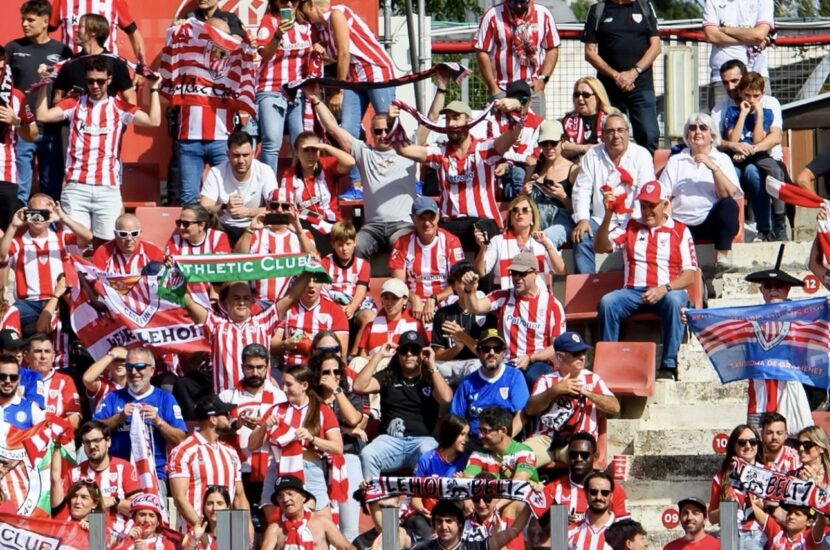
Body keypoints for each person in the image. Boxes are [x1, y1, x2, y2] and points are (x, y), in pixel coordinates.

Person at [35, 57, 160, 242]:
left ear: (109, 80)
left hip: (107, 188)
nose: (95, 85)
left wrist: (154, 88)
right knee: (73, 243)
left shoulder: (119, 107)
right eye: (90, 81)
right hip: (76, 186)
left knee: (109, 244)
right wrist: (43, 84)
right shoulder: (74, 103)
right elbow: (43, 115)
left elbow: (153, 121)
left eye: (100, 81)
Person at [596, 180, 698, 380]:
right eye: (643, 206)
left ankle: (668, 365)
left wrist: (663, 289)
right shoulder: (631, 226)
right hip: (632, 292)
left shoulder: (680, 230)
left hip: (666, 291)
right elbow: (600, 247)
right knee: (607, 302)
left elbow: (690, 275)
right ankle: (609, 362)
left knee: (676, 300)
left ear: (665, 204)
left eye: (652, 206)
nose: (647, 211)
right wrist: (608, 214)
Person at [297, 0, 396, 200]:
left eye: (304, 12)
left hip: (376, 71)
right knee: (348, 130)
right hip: (355, 77)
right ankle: (357, 183)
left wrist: (338, 90)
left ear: (310, 4)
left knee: (389, 126)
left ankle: (404, 177)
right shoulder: (321, 28)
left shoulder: (337, 14)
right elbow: (335, 57)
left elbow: (344, 53)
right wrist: (319, 53)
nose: (305, 18)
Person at [394, 98, 524, 250]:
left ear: (469, 121)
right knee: (430, 233)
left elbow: (514, 134)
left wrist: (517, 107)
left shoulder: (484, 149)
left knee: (482, 231)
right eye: (448, 119)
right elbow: (403, 149)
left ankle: (482, 273)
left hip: (483, 221)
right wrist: (392, 121)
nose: (451, 124)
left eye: (456, 118)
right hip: (451, 224)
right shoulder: (440, 152)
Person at [304, 85, 416, 258]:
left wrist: (441, 89)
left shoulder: (409, 150)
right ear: (371, 132)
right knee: (353, 249)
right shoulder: (364, 152)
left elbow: (430, 120)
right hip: (373, 227)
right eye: (378, 131)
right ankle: (357, 285)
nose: (383, 134)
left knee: (402, 247)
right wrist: (316, 100)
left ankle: (401, 285)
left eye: (388, 129)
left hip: (403, 225)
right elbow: (333, 128)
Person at [182, 271, 311, 394]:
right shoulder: (216, 324)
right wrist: (175, 272)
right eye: (236, 298)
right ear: (226, 302)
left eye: (246, 298)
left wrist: (309, 271)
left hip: (261, 402)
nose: (242, 302)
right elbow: (189, 303)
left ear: (252, 301)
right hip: (226, 402)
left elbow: (291, 296)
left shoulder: (263, 322)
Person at [354, 332, 452, 488]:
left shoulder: (430, 376)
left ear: (422, 353)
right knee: (368, 454)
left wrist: (432, 365)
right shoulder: (388, 375)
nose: (409, 354)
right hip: (390, 441)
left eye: (415, 350)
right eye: (404, 350)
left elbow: (446, 398)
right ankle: (374, 500)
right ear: (398, 354)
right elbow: (359, 386)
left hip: (423, 440)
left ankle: (425, 504)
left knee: (431, 455)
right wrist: (379, 355)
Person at [459, 251, 566, 388]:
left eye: (522, 274)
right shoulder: (503, 296)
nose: (517, 278)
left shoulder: (552, 305)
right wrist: (469, 291)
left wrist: (530, 357)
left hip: (539, 362)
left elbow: (557, 347)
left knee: (534, 378)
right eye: (513, 273)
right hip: (508, 361)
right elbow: (476, 307)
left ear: (535, 273)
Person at [249, 364, 344, 515]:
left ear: (304, 385)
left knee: (320, 527)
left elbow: (338, 448)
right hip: (278, 470)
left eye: (288, 384)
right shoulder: (276, 410)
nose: (284, 389)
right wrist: (263, 428)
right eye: (283, 385)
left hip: (310, 469)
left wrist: (312, 438)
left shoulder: (323, 411)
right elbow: (252, 445)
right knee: (277, 528)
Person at [93, 347, 188, 497]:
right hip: (115, 473)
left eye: (140, 367)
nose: (134, 372)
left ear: (152, 370)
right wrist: (119, 417)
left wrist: (158, 421)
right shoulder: (113, 397)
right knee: (104, 518)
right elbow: (93, 432)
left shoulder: (165, 398)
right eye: (129, 367)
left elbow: (180, 439)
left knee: (152, 519)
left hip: (154, 473)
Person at [171, 16, 245, 207]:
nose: (219, 40)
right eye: (214, 34)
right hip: (189, 139)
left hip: (221, 139)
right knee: (189, 199)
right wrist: (177, 30)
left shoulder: (234, 62)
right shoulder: (187, 56)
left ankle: (220, 236)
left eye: (224, 36)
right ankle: (193, 236)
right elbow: (170, 47)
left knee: (227, 197)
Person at [570, 112, 655, 274]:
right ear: (602, 135)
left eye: (620, 130)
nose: (616, 136)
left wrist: (635, 223)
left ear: (628, 133)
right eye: (610, 131)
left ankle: (632, 286)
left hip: (634, 218)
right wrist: (582, 219)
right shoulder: (592, 155)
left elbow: (644, 192)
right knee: (581, 236)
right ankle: (587, 290)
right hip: (600, 219)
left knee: (640, 238)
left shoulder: (641, 154)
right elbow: (582, 189)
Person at [6, 0, 72, 204]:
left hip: (52, 130)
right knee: (20, 189)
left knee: (51, 189)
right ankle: (18, 233)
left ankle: (50, 235)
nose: (25, 24)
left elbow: (68, 89)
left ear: (45, 21)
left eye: (30, 20)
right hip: (22, 129)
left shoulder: (63, 51)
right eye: (23, 20)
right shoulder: (13, 48)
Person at [660, 112, 741, 271]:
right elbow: (664, 196)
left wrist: (713, 167)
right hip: (680, 222)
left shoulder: (722, 159)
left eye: (703, 128)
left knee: (729, 205)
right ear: (687, 135)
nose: (697, 131)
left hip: (709, 221)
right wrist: (667, 224)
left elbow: (729, 193)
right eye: (692, 128)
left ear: (712, 135)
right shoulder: (676, 160)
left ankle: (721, 258)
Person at [525, 332, 620, 467]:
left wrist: (586, 392)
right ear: (559, 356)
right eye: (576, 353)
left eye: (583, 352)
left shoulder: (593, 379)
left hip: (579, 441)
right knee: (518, 459)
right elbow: (530, 409)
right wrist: (555, 390)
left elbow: (615, 407)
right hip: (546, 440)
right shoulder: (546, 380)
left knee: (581, 460)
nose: (582, 357)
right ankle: (532, 486)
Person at [743, 254, 814, 434]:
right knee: (758, 448)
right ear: (761, 290)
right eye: (768, 286)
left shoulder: (803, 318)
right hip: (758, 395)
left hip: (789, 391)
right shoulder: (747, 319)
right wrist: (690, 317)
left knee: (793, 444)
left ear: (788, 289)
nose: (774, 290)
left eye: (779, 286)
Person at [0, 194, 91, 326]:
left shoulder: (62, 238)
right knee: (8, 316)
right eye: (34, 212)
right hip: (27, 304)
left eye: (43, 213)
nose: (38, 218)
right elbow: (1, 256)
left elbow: (87, 237)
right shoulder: (17, 242)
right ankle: (15, 346)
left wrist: (63, 218)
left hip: (59, 301)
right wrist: (13, 226)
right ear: (27, 213)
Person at [582, 0, 661, 152]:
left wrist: (634, 72)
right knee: (611, 135)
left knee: (649, 135)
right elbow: (589, 52)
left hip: (641, 86)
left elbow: (656, 46)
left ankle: (647, 173)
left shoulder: (645, 7)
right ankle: (615, 172)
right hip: (609, 89)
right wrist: (617, 76)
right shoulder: (597, 10)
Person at [218, 343, 287, 513]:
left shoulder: (279, 397)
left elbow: (287, 432)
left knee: (270, 526)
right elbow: (216, 431)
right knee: (235, 528)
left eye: (260, 367)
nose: (255, 373)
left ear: (267, 367)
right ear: (242, 367)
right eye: (250, 367)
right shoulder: (227, 396)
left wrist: (265, 426)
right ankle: (235, 540)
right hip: (236, 471)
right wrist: (236, 424)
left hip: (271, 470)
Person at [168, 395, 249, 531]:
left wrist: (246, 529)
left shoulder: (231, 452)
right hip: (197, 531)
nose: (230, 418)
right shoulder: (184, 451)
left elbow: (239, 496)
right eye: (225, 414)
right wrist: (202, 530)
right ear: (213, 419)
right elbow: (179, 498)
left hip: (230, 532)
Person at [723, 71, 787, 241]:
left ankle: (774, 224)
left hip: (757, 156)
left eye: (756, 96)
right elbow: (733, 139)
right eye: (747, 95)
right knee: (733, 174)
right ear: (740, 93)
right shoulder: (732, 111)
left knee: (764, 173)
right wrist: (743, 115)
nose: (751, 100)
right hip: (738, 156)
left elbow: (759, 139)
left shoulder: (766, 111)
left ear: (762, 95)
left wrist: (758, 115)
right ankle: (732, 227)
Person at [312, 351, 367, 542]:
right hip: (315, 461)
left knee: (349, 528)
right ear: (317, 374)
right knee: (318, 526)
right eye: (326, 372)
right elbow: (311, 430)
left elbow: (353, 418)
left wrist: (337, 391)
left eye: (337, 372)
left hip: (347, 459)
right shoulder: (309, 399)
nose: (332, 376)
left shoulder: (350, 396)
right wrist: (348, 431)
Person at [51, 421, 140, 534]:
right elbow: (59, 504)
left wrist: (114, 502)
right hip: (79, 536)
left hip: (117, 536)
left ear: (108, 441)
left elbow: (139, 509)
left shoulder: (125, 468)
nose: (92, 446)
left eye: (96, 440)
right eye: (87, 442)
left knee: (96, 520)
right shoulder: (74, 473)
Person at [473, 0, 560, 116]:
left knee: (535, 131)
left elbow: (552, 48)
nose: (518, 5)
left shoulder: (543, 14)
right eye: (513, 1)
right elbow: (481, 51)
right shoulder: (493, 15)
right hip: (502, 90)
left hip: (533, 90)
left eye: (523, 1)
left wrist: (543, 79)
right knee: (499, 131)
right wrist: (493, 87)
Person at [254, 0, 312, 172]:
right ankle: (269, 192)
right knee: (272, 142)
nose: (287, 3)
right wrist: (278, 35)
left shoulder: (306, 24)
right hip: (272, 89)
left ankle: (298, 188)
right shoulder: (269, 20)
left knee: (301, 143)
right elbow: (264, 54)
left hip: (298, 91)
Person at [390, 196, 465, 326]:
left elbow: (458, 283)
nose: (427, 223)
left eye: (431, 217)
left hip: (444, 298)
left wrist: (434, 299)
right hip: (412, 300)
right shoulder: (401, 244)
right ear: (413, 218)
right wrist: (413, 298)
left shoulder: (451, 241)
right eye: (421, 218)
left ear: (438, 216)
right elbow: (398, 285)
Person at [278, 131, 355, 253]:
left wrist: (324, 146)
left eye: (314, 150)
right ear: (297, 153)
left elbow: (350, 162)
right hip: (305, 222)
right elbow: (287, 206)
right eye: (306, 150)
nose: (310, 155)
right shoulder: (289, 174)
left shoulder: (326, 165)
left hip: (332, 222)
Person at [199, 131, 278, 245]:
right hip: (223, 227)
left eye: (245, 155)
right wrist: (224, 207)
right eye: (236, 155)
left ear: (253, 153)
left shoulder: (265, 171)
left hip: (256, 225)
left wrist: (248, 212)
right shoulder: (216, 172)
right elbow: (204, 208)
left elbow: (275, 210)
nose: (241, 161)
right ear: (228, 154)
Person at [474, 194, 564, 291]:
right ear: (511, 219)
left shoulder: (543, 241)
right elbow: (480, 272)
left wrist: (547, 246)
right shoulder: (498, 241)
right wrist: (482, 249)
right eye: (515, 210)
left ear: (533, 218)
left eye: (525, 210)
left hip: (537, 299)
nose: (520, 213)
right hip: (505, 298)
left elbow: (561, 271)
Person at [450, 329, 529, 438]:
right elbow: (457, 419)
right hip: (476, 442)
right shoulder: (467, 383)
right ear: (478, 352)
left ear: (504, 352)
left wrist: (504, 442)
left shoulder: (514, 377)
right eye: (486, 349)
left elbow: (522, 415)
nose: (491, 353)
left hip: (506, 441)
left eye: (497, 349)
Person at [232, 201, 315, 302]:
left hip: (292, 303)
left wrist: (299, 232)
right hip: (259, 302)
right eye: (274, 206)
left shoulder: (304, 234)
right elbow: (236, 261)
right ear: (268, 208)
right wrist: (250, 230)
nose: (279, 210)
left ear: (294, 209)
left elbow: (314, 261)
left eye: (285, 206)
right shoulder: (256, 233)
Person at [432, 261, 498, 386]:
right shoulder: (443, 313)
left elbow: (489, 355)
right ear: (453, 286)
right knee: (432, 368)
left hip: (476, 363)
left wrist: (463, 337)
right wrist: (457, 347)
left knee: (474, 368)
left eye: (473, 281)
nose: (469, 286)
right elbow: (438, 355)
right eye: (464, 282)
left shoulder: (488, 312)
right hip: (451, 364)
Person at [543, 433, 630, 527]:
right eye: (573, 455)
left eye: (584, 455)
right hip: (561, 540)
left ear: (595, 456)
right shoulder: (552, 490)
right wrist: (555, 522)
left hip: (603, 539)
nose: (578, 459)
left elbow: (624, 528)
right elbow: (536, 530)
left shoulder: (612, 490)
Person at [521, 120, 580, 251]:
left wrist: (563, 197)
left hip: (561, 223)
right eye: (544, 143)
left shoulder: (573, 171)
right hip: (535, 221)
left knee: (541, 240)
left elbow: (580, 213)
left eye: (553, 143)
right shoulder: (532, 169)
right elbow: (520, 204)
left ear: (563, 142)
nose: (549, 148)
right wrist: (523, 194)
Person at [51, 13, 136, 104]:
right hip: (76, 118)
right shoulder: (69, 64)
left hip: (107, 118)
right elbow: (56, 100)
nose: (76, 30)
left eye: (81, 27)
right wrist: (67, 99)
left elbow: (130, 99)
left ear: (93, 32)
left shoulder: (116, 63)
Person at [409, 415, 471, 539]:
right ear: (451, 434)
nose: (466, 440)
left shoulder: (466, 461)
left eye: (467, 435)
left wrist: (462, 485)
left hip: (453, 518)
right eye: (462, 434)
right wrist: (423, 510)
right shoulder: (427, 459)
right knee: (417, 523)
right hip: (428, 516)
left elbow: (469, 506)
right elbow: (415, 498)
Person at [702, 0, 774, 106]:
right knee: (719, 122)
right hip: (721, 79)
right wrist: (750, 37)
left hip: (756, 75)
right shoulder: (712, 1)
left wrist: (726, 30)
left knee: (761, 120)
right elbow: (711, 35)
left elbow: (759, 35)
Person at [320, 221, 376, 354]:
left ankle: (353, 354)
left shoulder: (363, 264)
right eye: (340, 245)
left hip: (354, 304)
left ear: (355, 242)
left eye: (348, 244)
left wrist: (352, 307)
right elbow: (322, 290)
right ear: (333, 244)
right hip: (332, 305)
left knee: (369, 316)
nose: (344, 249)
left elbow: (361, 290)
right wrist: (336, 308)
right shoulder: (326, 263)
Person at [260, 475, 355, 550]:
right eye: (280, 496)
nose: (285, 499)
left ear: (303, 497)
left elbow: (347, 548)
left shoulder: (323, 523)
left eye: (290, 494)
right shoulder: (274, 529)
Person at [708, 424, 764, 549]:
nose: (748, 446)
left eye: (753, 442)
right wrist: (727, 507)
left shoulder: (768, 473)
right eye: (742, 443)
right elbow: (712, 518)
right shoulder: (722, 476)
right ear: (734, 446)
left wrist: (763, 505)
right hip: (729, 531)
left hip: (758, 533)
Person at [0, 49, 38, 230]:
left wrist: (16, 121)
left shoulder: (16, 96)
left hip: (5, 173)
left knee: (7, 230)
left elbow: (33, 134)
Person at [274, 276, 349, 366]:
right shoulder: (288, 308)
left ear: (322, 284)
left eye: (316, 281)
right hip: (288, 370)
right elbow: (272, 345)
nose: (311, 285)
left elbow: (341, 353)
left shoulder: (335, 311)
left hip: (319, 371)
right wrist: (285, 344)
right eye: (306, 280)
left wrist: (313, 344)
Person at [49, 0, 145, 59]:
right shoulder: (63, 1)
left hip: (106, 69)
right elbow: (46, 28)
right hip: (71, 69)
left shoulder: (113, 1)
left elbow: (133, 32)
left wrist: (142, 68)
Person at [464, 406, 538, 482]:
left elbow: (517, 485)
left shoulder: (524, 453)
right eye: (480, 430)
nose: (480, 435)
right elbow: (468, 483)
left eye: (485, 431)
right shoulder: (479, 453)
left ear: (503, 431)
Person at [26, 333, 81, 428]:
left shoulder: (65, 381)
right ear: (27, 356)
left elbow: (74, 419)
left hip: (56, 439)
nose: (43, 356)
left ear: (53, 356)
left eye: (47, 351)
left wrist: (47, 432)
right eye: (38, 351)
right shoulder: (16, 379)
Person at [561, 77, 616, 161]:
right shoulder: (567, 121)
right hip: (575, 166)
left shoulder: (612, 119)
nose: (580, 98)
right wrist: (584, 148)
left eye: (585, 95)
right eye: (576, 94)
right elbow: (560, 148)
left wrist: (573, 147)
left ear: (598, 97)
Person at [91, 213, 165, 273]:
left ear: (140, 233)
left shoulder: (153, 251)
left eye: (134, 233)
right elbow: (96, 281)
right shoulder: (103, 252)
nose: (129, 238)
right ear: (115, 234)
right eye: (123, 234)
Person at [749, 498, 825, 550]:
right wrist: (756, 502)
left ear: (809, 522)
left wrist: (820, 508)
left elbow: (821, 524)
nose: (791, 516)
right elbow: (752, 508)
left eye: (797, 514)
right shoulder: (777, 531)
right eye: (789, 512)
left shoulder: (809, 538)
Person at [567, 471, 618, 550]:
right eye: (593, 492)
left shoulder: (624, 534)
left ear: (611, 496)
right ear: (586, 494)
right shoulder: (569, 532)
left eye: (605, 492)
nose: (598, 497)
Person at [165, 204, 232, 256]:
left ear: (201, 225)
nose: (181, 227)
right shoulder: (175, 241)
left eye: (186, 223)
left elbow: (222, 266)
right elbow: (171, 267)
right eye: (179, 223)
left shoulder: (218, 238)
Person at [0, 353, 44, 429]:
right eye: (2, 376)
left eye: (13, 377)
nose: (8, 381)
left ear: (19, 379)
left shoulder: (31, 409)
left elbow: (46, 436)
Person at [82, 346, 127, 410]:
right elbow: (87, 379)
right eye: (114, 360)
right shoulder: (104, 385)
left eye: (122, 360)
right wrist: (111, 355)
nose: (118, 363)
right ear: (107, 365)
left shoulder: (137, 385)